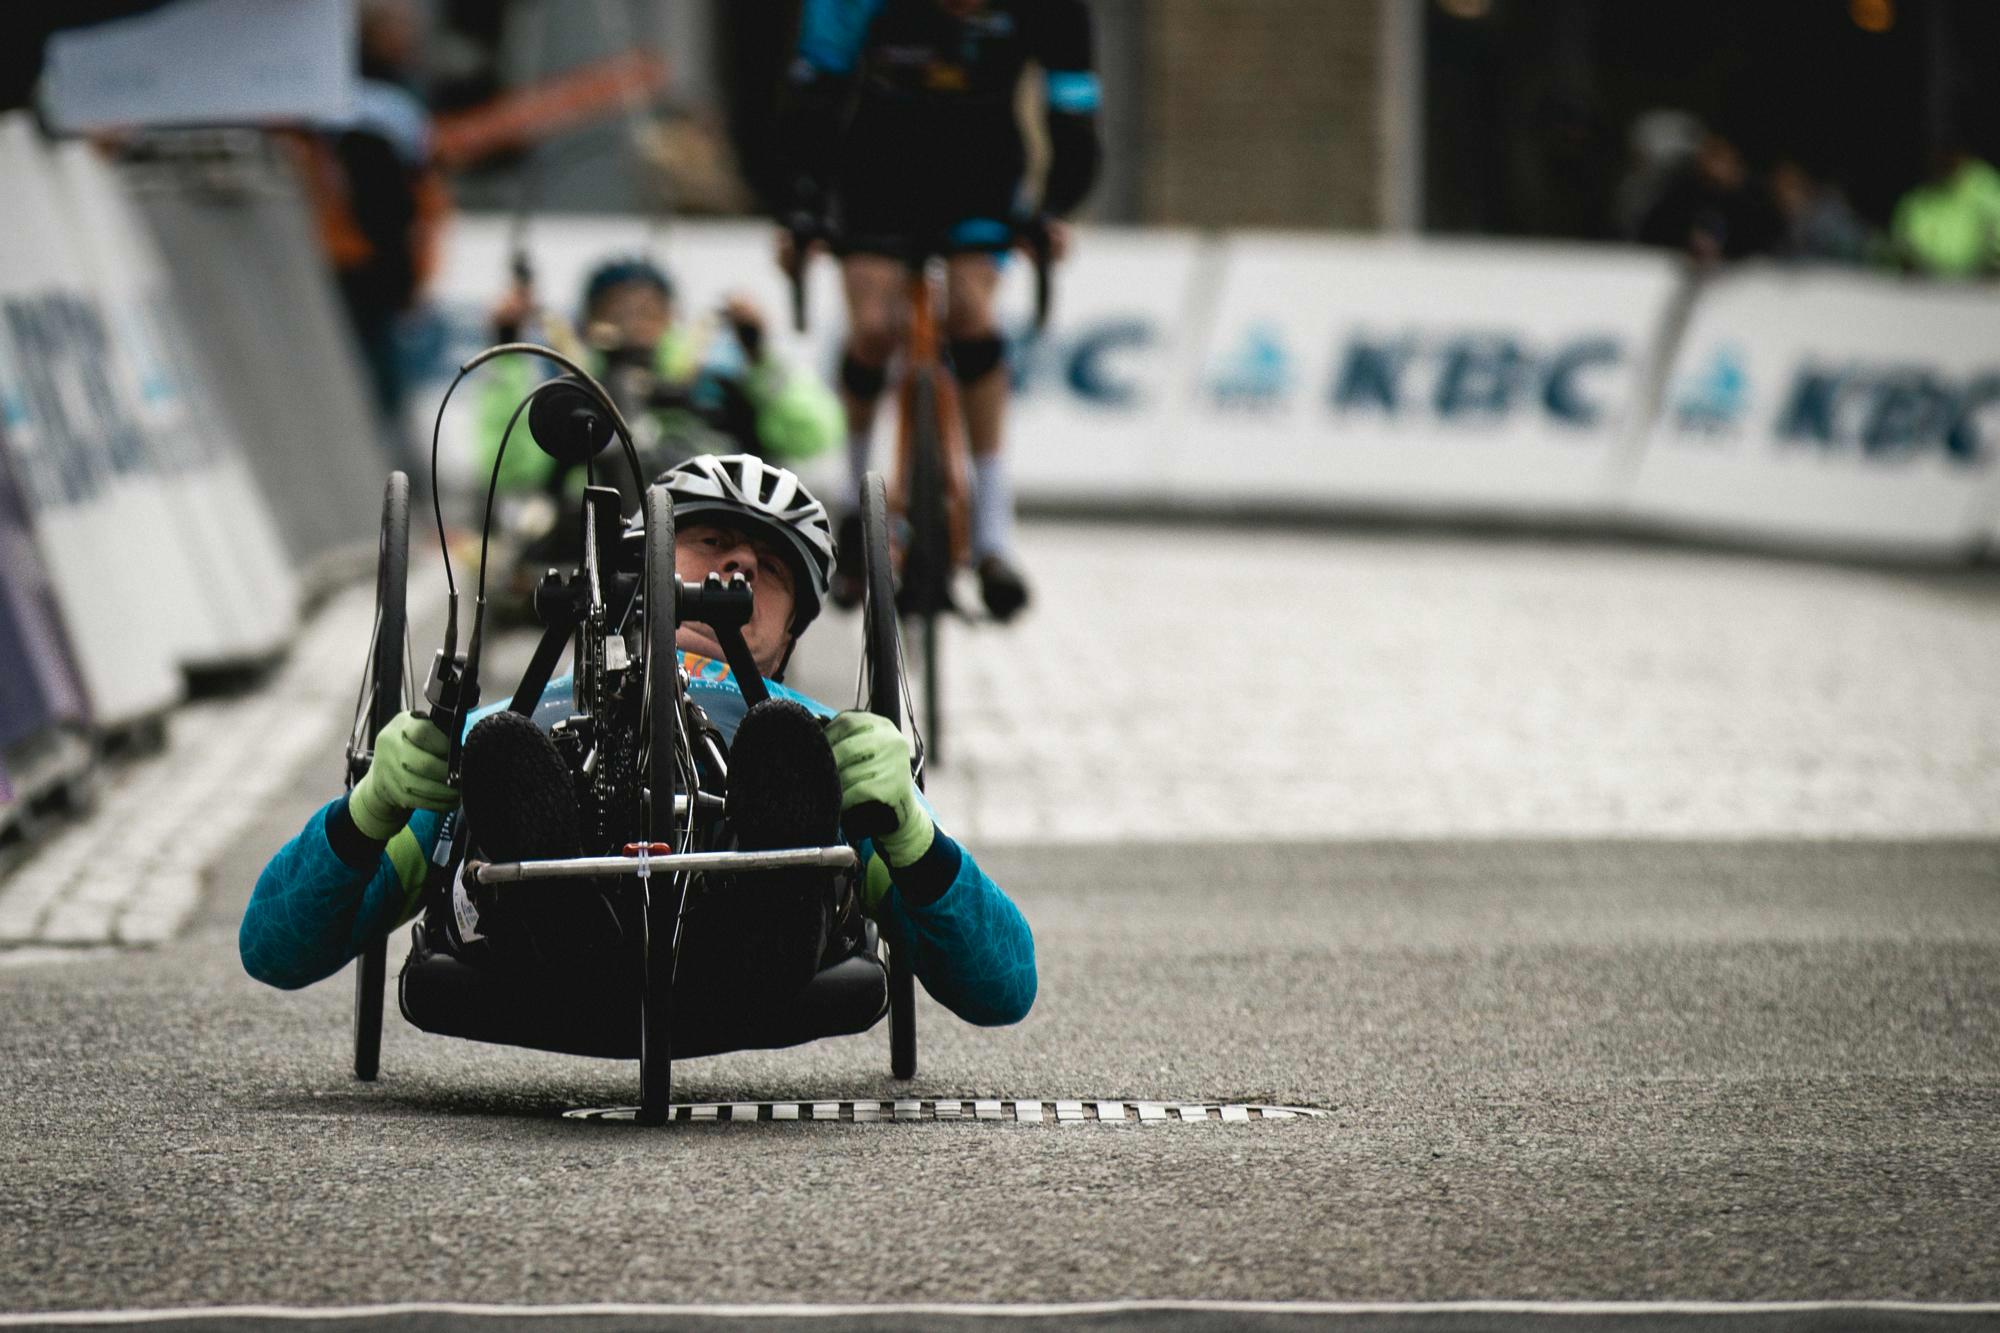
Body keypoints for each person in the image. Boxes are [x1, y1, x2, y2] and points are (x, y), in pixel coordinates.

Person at [239, 454, 1034, 1038]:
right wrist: (369, 809)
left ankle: (760, 904)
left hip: (758, 960)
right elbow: (271, 949)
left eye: (768, 568)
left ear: (791, 628)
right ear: (638, 567)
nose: (736, 567)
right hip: (545, 956)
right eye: (714, 541)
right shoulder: (494, 730)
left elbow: (1006, 986)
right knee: (504, 748)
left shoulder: (830, 747)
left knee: (785, 746)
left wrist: (912, 834)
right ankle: (568, 919)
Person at [774, 0, 1103, 622]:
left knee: (973, 313)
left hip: (980, 170)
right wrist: (802, 206)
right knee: (873, 325)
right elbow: (814, 95)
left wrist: (1054, 207)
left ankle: (993, 534)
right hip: (876, 167)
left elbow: (1074, 111)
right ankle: (852, 501)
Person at [482, 256, 843, 492]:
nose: (633, 321)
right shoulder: (571, 397)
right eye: (616, 309)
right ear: (588, 322)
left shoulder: (716, 388)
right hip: (591, 546)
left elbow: (812, 437)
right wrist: (508, 355)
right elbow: (511, 470)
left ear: (673, 318)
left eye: (647, 309)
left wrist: (759, 356)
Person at [1891, 144, 2000, 279]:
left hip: (1980, 285)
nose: (1943, 160)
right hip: (1926, 285)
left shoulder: (1984, 186)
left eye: (1948, 153)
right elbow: (1904, 249)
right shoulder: (1915, 201)